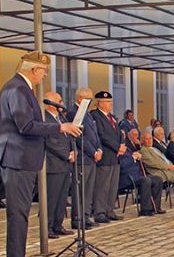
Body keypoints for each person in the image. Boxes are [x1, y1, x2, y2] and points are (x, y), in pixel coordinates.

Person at [0, 51, 81, 257]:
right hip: (17, 158)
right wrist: (59, 128)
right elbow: (26, 126)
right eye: (43, 72)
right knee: (18, 213)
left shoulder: (20, 88)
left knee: (21, 212)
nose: (44, 76)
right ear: (34, 70)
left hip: (22, 158)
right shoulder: (17, 89)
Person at [66, 87, 102, 230]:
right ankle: (78, 218)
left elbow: (95, 134)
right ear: (80, 98)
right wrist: (93, 151)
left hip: (92, 157)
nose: (91, 102)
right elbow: (79, 135)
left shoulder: (87, 114)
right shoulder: (74, 113)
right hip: (83, 157)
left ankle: (85, 216)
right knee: (80, 190)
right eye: (89, 99)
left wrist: (99, 148)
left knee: (88, 190)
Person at [91, 91, 126, 223]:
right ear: (99, 103)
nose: (110, 104)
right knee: (102, 186)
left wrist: (122, 144)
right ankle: (99, 212)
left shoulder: (111, 117)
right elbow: (102, 135)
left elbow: (118, 134)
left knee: (112, 185)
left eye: (111, 102)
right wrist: (117, 147)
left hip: (115, 157)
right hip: (106, 155)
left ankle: (109, 210)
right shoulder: (96, 116)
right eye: (107, 102)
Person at [44, 92, 75, 239]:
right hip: (53, 164)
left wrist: (72, 151)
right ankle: (48, 227)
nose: (62, 104)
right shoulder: (45, 118)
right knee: (52, 197)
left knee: (62, 197)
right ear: (51, 104)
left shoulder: (61, 118)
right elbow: (50, 142)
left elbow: (68, 137)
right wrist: (67, 154)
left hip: (64, 164)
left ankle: (58, 224)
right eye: (59, 101)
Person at [119, 129, 164, 216]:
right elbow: (121, 165)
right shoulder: (117, 151)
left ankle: (155, 207)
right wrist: (133, 158)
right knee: (146, 180)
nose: (123, 138)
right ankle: (145, 209)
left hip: (137, 175)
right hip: (127, 178)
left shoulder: (128, 149)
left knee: (158, 179)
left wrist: (137, 156)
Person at [139, 132, 174, 202]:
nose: (149, 140)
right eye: (147, 139)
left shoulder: (155, 149)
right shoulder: (143, 151)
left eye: (150, 138)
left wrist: (170, 164)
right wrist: (168, 166)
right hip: (159, 172)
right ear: (142, 141)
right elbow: (154, 163)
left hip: (168, 170)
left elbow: (164, 159)